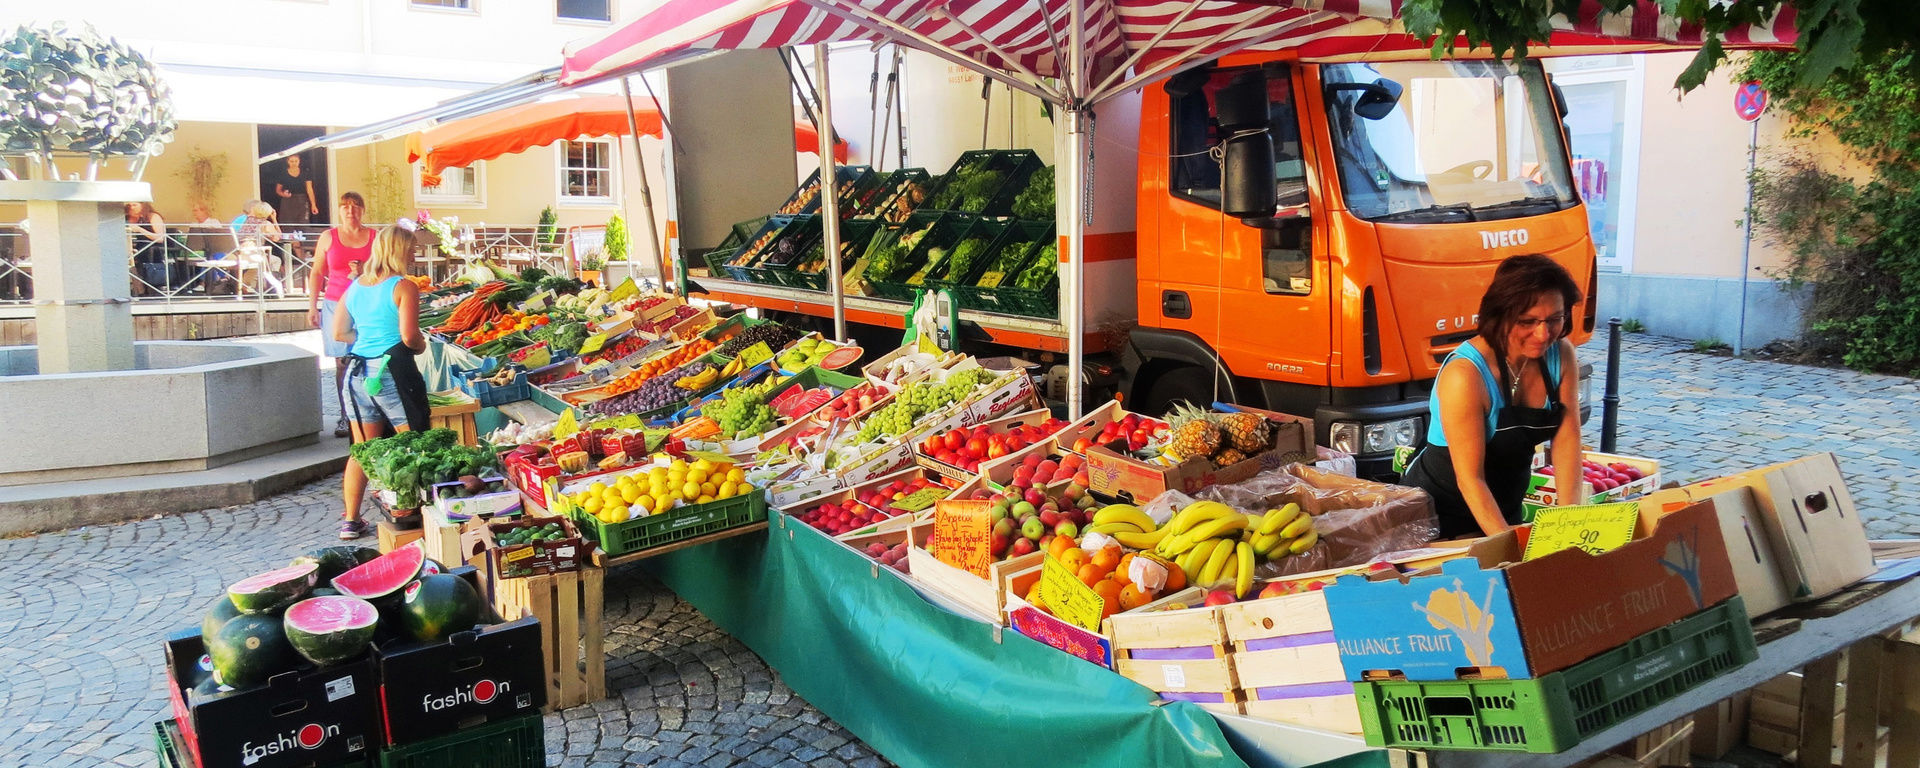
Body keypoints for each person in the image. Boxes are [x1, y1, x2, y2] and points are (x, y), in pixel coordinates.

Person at [1400, 255, 1586, 538]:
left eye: (1555, 319)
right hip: (1438, 517)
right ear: (1499, 316)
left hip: (1504, 506)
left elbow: (1567, 439)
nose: (1542, 333)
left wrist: (1570, 526)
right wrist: (1509, 545)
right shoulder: (1465, 375)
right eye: (1528, 321)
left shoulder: (1561, 355)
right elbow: (1470, 479)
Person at [331, 224, 431, 540]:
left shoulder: (356, 287)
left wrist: (367, 339)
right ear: (399, 251)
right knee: (412, 443)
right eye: (412, 249)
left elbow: (339, 333)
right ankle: (412, 514)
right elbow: (408, 336)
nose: (415, 254)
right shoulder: (403, 286)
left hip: (356, 371)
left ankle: (350, 519)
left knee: (362, 449)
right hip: (391, 370)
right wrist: (421, 346)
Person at [308, 192, 375, 438]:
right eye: (345, 206)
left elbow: (385, 268)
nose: (350, 210)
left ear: (362, 210)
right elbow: (317, 272)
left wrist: (365, 270)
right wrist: (311, 306)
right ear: (339, 211)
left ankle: (371, 413)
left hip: (367, 303)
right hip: (336, 303)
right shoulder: (328, 237)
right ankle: (346, 415)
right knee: (341, 362)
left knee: (369, 357)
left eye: (356, 206)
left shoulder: (374, 238)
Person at [235, 200, 285, 295]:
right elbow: (278, 237)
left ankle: (248, 285)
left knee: (266, 260)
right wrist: (274, 219)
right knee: (276, 260)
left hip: (240, 253)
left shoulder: (247, 221)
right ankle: (268, 286)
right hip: (253, 255)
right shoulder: (265, 224)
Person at [126, 202, 166, 295]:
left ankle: (141, 291)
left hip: (152, 249)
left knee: (134, 258)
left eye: (134, 205)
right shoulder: (128, 218)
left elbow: (160, 238)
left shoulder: (153, 216)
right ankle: (138, 290)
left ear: (143, 205)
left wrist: (140, 229)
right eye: (129, 206)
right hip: (135, 247)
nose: (131, 208)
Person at [273, 155, 319, 225]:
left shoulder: (305, 173)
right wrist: (283, 194)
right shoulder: (283, 174)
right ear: (288, 162)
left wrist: (313, 204)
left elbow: (309, 189)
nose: (294, 163)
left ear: (299, 161)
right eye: (291, 161)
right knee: (288, 224)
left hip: (302, 200)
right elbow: (278, 190)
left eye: (296, 161)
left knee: (303, 223)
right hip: (287, 201)